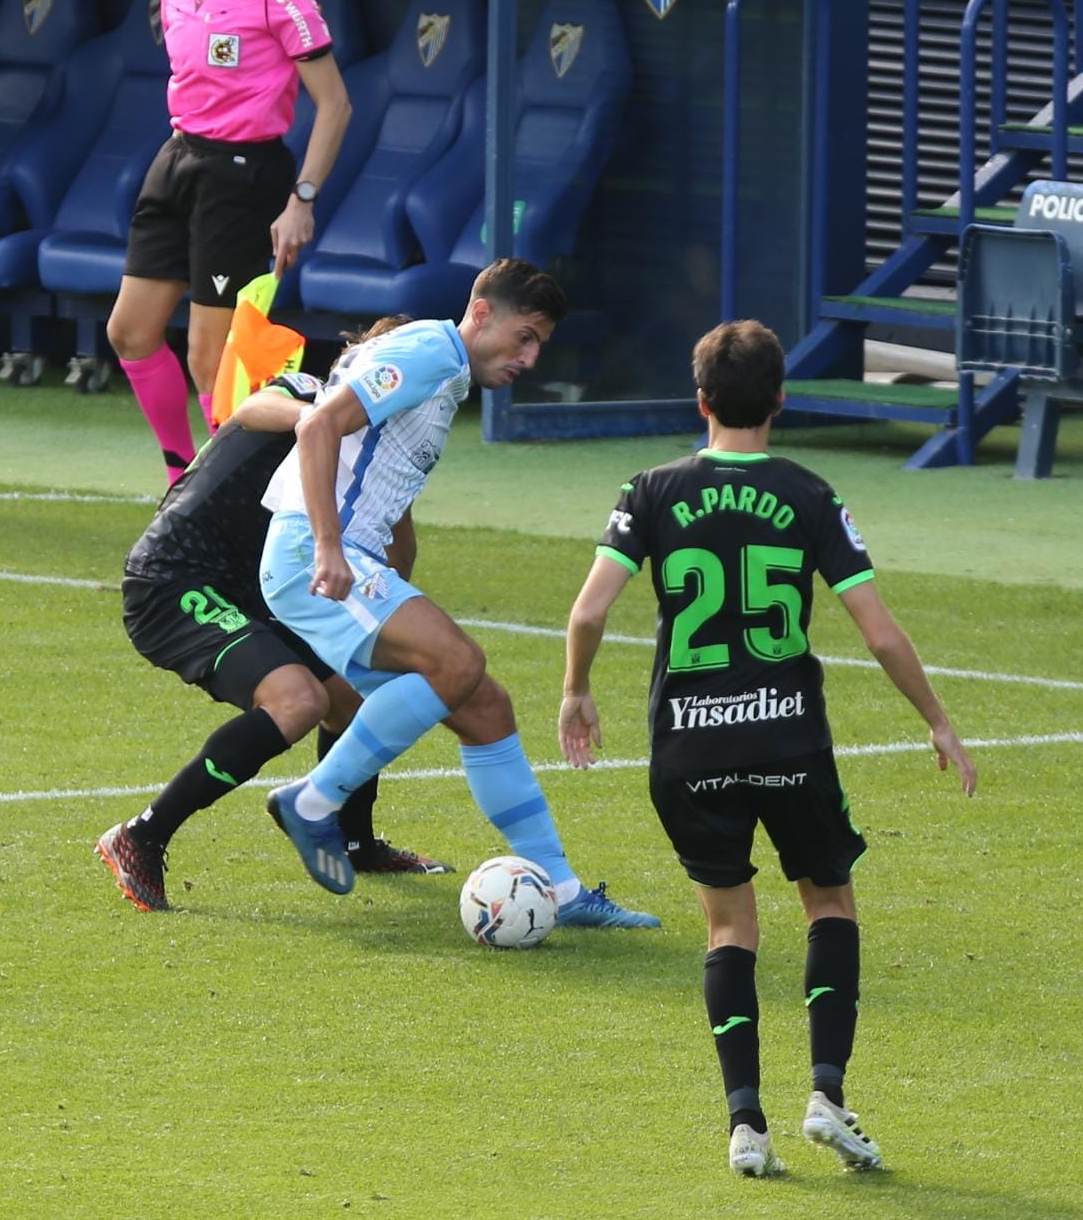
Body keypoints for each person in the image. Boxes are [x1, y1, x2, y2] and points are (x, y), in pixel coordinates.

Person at [557, 318, 977, 1179]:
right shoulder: (810, 495)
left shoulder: (650, 489)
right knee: (828, 905)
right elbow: (878, 629)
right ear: (780, 399)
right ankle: (826, 1093)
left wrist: (576, 691)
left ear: (701, 400)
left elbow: (590, 611)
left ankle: (745, 1124)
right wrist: (935, 717)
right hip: (788, 736)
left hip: (688, 749)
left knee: (729, 924)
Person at [260, 259, 658, 930]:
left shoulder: (442, 371)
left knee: (486, 706)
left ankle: (559, 890)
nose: (528, 358)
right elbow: (316, 425)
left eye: (540, 346)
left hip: (345, 557)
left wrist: (396, 568)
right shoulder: (427, 352)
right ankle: (314, 801)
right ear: (480, 314)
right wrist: (329, 547)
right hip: (313, 555)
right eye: (523, 338)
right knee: (459, 664)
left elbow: (382, 476)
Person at [96, 321, 452, 914]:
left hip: (265, 587)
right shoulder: (312, 393)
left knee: (353, 688)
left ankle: (356, 841)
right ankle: (142, 835)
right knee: (298, 701)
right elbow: (249, 407)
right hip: (176, 576)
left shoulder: (382, 451)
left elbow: (398, 551)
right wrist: (320, 420)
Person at [107, 0, 352, 487]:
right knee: (130, 332)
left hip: (246, 174)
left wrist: (302, 199)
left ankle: (230, 500)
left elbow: (335, 104)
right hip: (179, 156)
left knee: (212, 362)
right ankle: (180, 478)